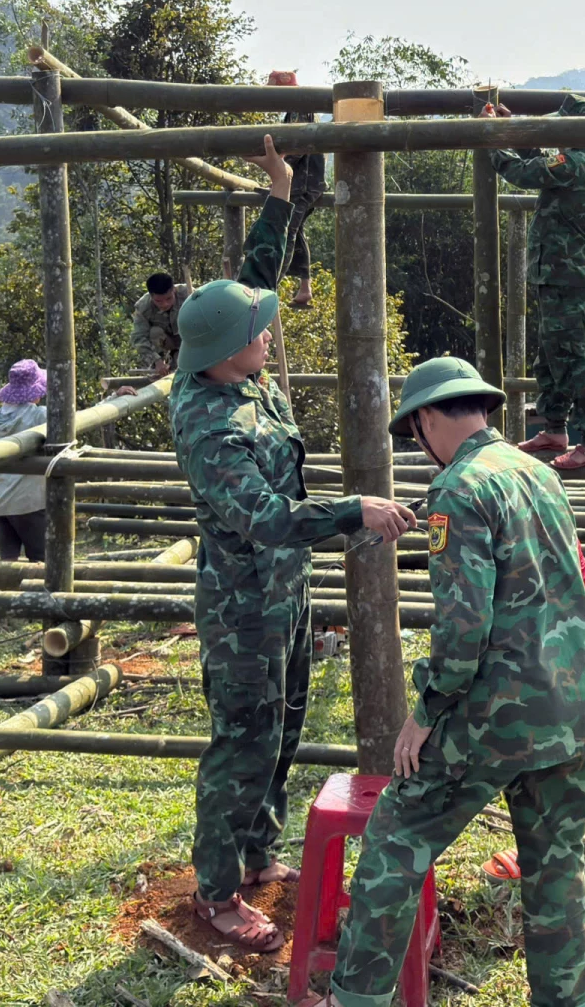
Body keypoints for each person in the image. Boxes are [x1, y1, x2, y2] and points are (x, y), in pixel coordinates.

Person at [169, 133, 415, 951]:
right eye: (259, 332)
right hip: (244, 607)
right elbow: (269, 518)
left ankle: (256, 852)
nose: (270, 334)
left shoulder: (231, 369)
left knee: (283, 729)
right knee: (241, 741)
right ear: (227, 351)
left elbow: (255, 280)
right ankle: (214, 889)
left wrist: (279, 196)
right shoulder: (212, 427)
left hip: (285, 595)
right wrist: (355, 512)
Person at [310, 356, 585, 1007]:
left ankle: (353, 999)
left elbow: (464, 630)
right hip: (569, 711)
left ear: (429, 419)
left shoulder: (459, 489)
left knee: (394, 839)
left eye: (416, 432)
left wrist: (426, 712)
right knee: (556, 875)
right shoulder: (540, 475)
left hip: (494, 716)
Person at [485, 536, 585, 882]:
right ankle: (535, 843)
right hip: (526, 624)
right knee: (534, 734)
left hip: (579, 613)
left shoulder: (526, 487)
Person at [484, 93, 585, 472]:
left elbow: (526, 172)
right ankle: (555, 428)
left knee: (576, 358)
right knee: (553, 354)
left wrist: (492, 138)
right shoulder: (582, 161)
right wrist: (514, 131)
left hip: (567, 274)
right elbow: (539, 162)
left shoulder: (577, 163)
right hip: (558, 272)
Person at [0, 360, 50, 562]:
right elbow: (76, 421)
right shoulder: (39, 416)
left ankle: (5, 593)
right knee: (41, 560)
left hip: (1, 502)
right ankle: (40, 595)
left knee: (8, 562)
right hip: (29, 502)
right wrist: (111, 399)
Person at [268, 68, 324, 309]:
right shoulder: (297, 108)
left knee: (286, 233)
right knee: (296, 231)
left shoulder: (300, 107)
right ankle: (304, 288)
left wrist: (276, 167)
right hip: (303, 182)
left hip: (303, 183)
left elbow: (298, 148)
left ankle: (270, 286)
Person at [130, 273, 192, 376]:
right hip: (168, 345)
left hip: (190, 341)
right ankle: (166, 364)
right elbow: (139, 338)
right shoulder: (143, 307)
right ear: (151, 296)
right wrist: (156, 360)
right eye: (159, 301)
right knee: (155, 332)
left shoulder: (189, 294)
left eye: (169, 299)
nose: (165, 304)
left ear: (174, 291)